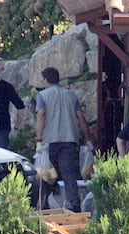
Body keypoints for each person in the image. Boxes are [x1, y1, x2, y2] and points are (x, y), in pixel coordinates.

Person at [35, 67, 92, 212]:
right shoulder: (71, 95)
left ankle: (44, 203)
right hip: (69, 139)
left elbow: (41, 115)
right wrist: (87, 138)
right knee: (68, 173)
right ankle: (74, 203)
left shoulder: (42, 95)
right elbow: (81, 117)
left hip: (49, 140)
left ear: (46, 80)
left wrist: (39, 140)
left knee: (45, 171)